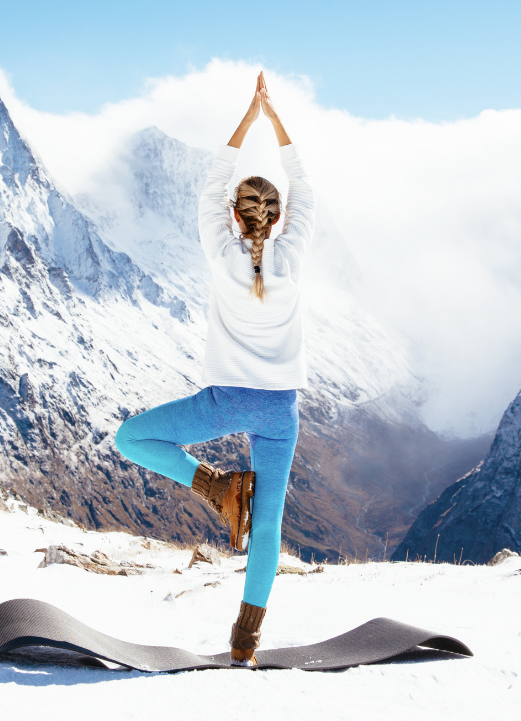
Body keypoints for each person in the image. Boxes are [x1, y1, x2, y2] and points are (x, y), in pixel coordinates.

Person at [115, 72, 315, 666]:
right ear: (278, 219)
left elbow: (209, 188)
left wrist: (248, 117)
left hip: (225, 401)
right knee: (268, 524)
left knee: (132, 438)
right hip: (279, 411)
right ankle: (244, 642)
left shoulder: (221, 254)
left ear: (234, 214)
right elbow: (304, 187)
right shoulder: (293, 256)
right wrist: (274, 120)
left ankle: (216, 488)